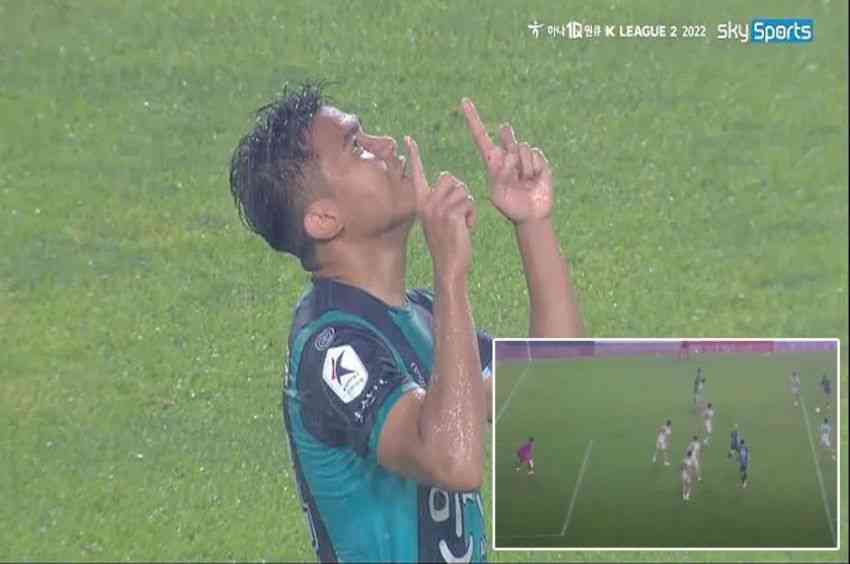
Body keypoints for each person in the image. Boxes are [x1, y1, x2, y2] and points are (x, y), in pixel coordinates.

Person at [229, 84, 584, 562]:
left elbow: (557, 395)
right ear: (325, 218)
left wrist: (533, 222)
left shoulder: (421, 317)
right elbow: (453, 460)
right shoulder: (330, 350)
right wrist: (450, 272)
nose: (384, 144)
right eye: (356, 146)